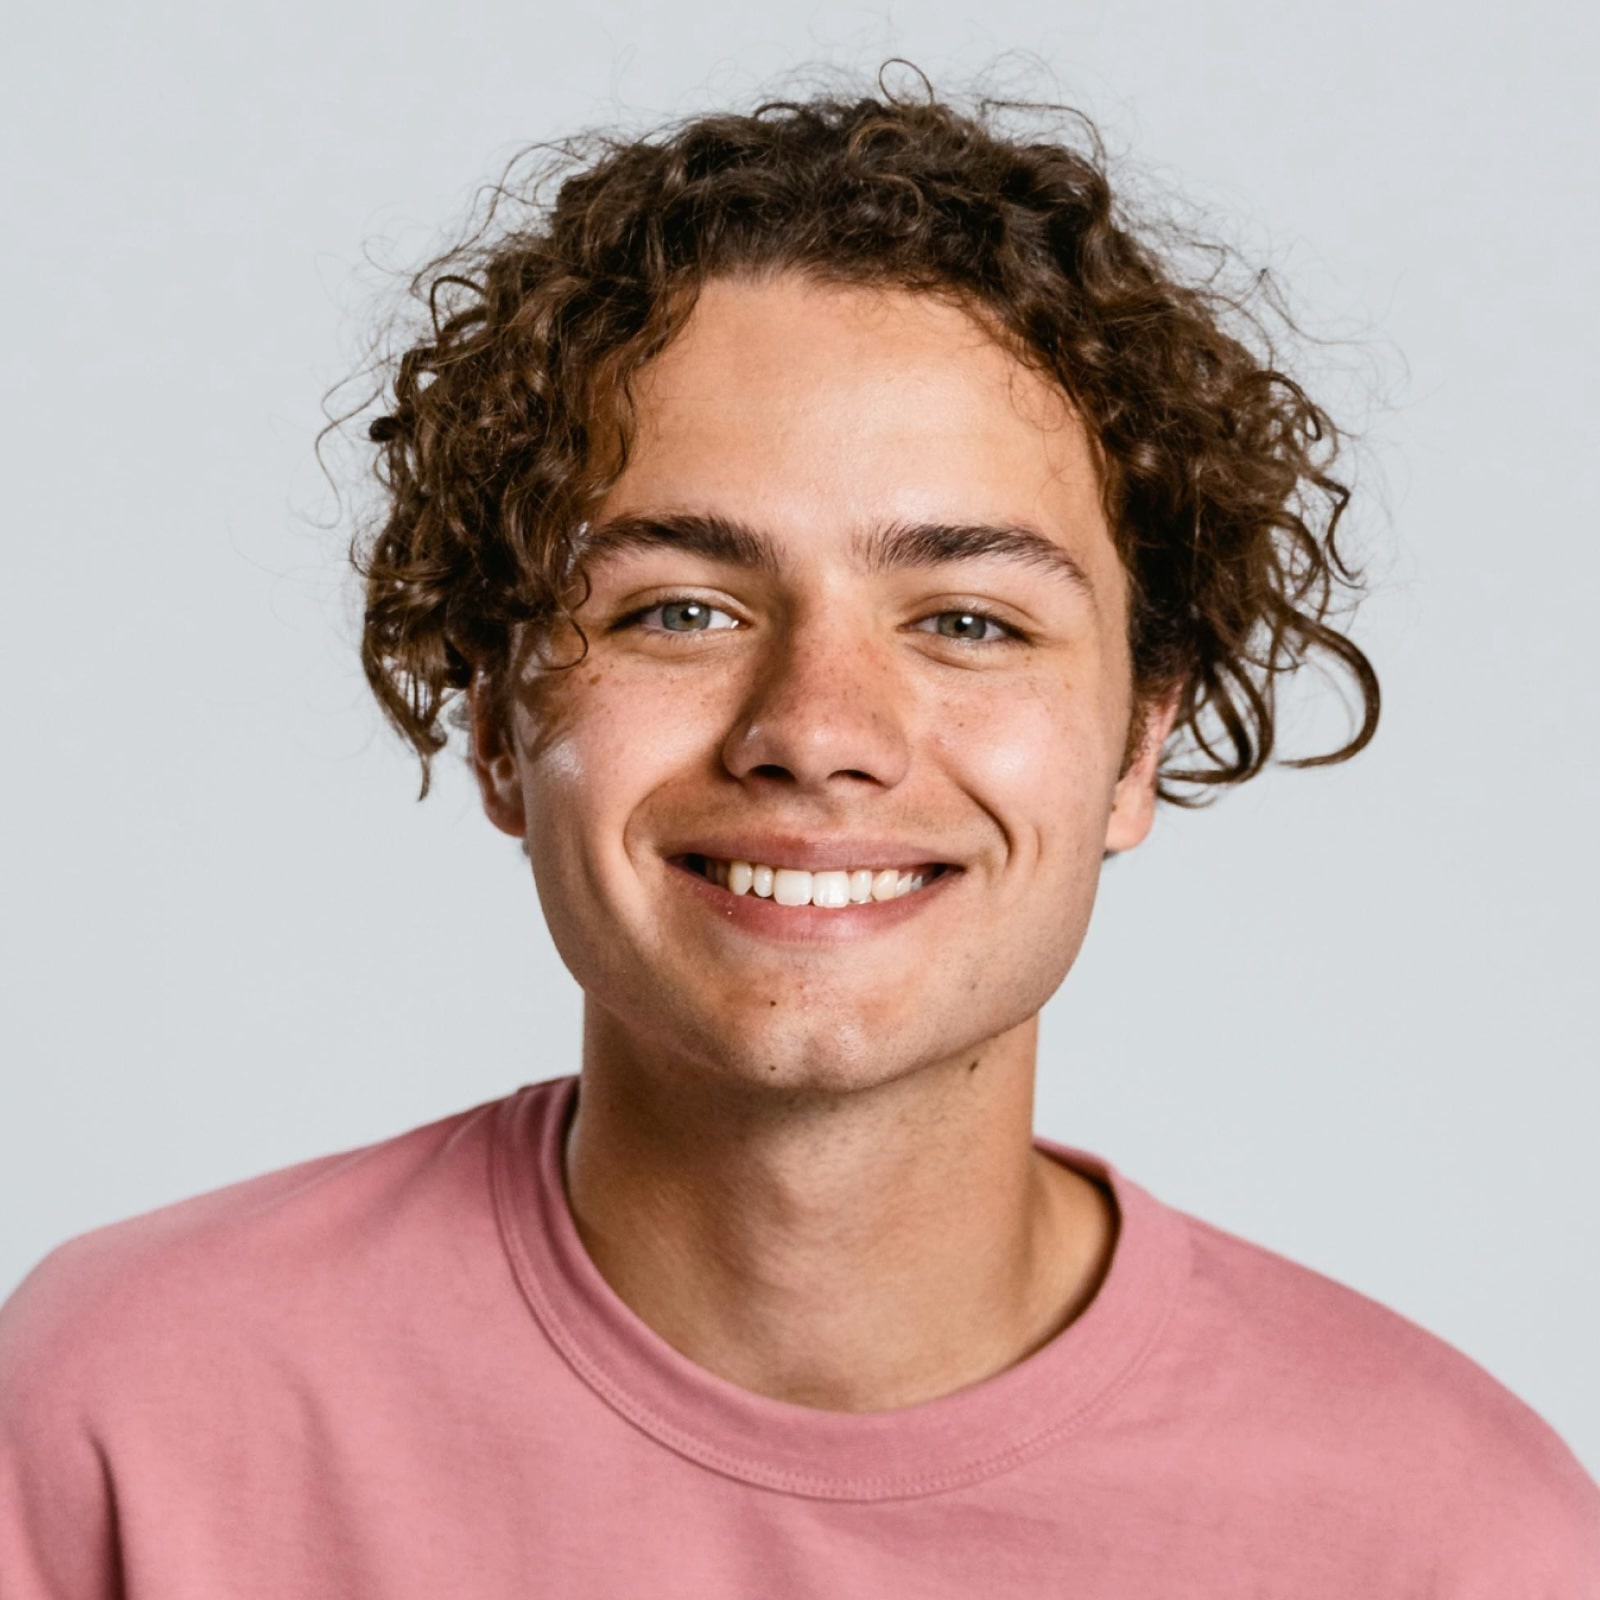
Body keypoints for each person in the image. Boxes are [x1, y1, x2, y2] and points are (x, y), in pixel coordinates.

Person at [2, 80, 1596, 1597]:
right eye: (680, 608)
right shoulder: (125, 1417)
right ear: (493, 716)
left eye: (968, 619)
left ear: (1139, 739)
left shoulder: (1457, 1543)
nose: (818, 729)